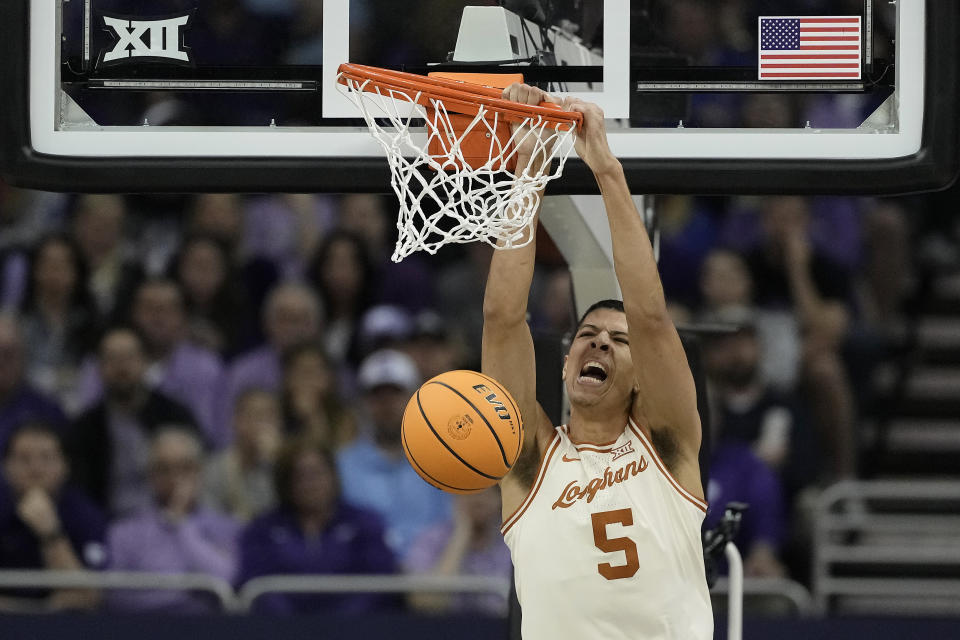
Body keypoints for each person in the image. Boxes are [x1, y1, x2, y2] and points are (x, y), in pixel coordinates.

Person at [484, 85, 712, 639]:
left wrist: (605, 168)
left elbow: (652, 318)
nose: (601, 343)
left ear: (640, 380)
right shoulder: (531, 459)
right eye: (588, 334)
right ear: (564, 364)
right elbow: (502, 319)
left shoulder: (668, 443)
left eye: (618, 340)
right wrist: (529, 172)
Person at [237, 438, 397, 614]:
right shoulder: (262, 529)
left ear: (333, 476)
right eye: (301, 476)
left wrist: (342, 623)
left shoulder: (364, 523)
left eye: (318, 473)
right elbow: (253, 582)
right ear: (285, 482)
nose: (311, 484)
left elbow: (382, 581)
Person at [106, 426, 239, 614]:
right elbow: (114, 597)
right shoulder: (125, 532)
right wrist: (181, 600)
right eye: (164, 469)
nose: (175, 477)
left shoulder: (227, 527)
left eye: (185, 467)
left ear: (199, 471)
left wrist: (182, 526)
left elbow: (228, 581)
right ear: (150, 476)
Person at [69, 327, 201, 516]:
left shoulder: (174, 414)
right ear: (99, 368)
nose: (122, 367)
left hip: (172, 516)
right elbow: (81, 493)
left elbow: (195, 473)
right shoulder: (85, 429)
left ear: (145, 362)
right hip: (109, 523)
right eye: (113, 359)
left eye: (129, 357)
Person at [335, 349, 450, 558]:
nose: (386, 405)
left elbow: (450, 525)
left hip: (432, 578)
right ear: (362, 403)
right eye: (377, 396)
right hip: (364, 577)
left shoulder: (442, 463)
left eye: (395, 394)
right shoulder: (341, 465)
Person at [0, 422, 106, 611]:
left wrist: (50, 533)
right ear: (6, 467)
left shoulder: (85, 514)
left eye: (47, 459)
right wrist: (39, 609)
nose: (36, 469)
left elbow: (89, 598)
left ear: (65, 466)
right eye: (24, 459)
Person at [404, 487, 513, 617]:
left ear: (500, 499)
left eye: (488, 492)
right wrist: (461, 536)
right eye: (470, 492)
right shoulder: (430, 540)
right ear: (454, 496)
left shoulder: (513, 542)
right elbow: (427, 602)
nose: (478, 500)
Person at [204, 388, 282, 522]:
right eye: (256, 415)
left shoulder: (286, 466)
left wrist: (276, 462)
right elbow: (210, 520)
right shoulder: (216, 468)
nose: (263, 424)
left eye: (269, 416)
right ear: (237, 420)